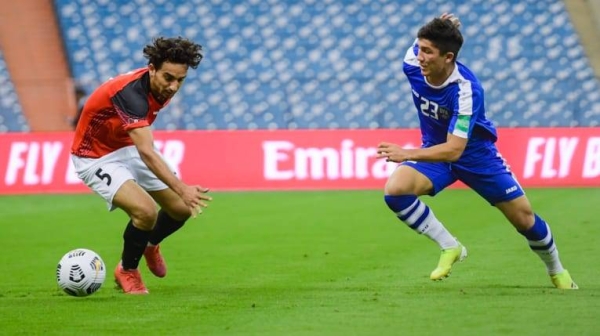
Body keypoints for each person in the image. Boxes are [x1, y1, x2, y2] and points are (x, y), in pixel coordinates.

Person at [376, 13, 578, 289]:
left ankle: (557, 270)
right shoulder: (412, 65)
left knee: (523, 218)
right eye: (420, 49)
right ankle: (450, 247)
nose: (420, 57)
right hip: (436, 151)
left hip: (475, 156)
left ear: (448, 58)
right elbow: (422, 45)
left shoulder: (466, 90)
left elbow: (455, 150)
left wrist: (407, 153)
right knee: (396, 190)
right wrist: (442, 26)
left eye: (428, 52)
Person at [70, 37, 212, 294]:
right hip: (94, 155)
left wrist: (181, 195)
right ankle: (127, 269)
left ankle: (149, 244)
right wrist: (181, 187)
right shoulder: (131, 93)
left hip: (126, 146)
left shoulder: (160, 87)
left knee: (180, 208)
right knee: (146, 212)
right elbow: (147, 150)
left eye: (180, 80)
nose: (173, 86)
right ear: (151, 68)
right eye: (168, 78)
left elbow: (141, 145)